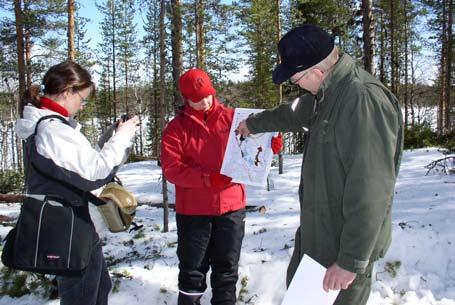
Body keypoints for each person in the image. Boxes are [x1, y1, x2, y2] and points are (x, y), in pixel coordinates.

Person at [236, 24, 404, 305]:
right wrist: (253, 124)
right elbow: (291, 114)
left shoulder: (361, 100)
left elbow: (372, 190)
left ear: (316, 71)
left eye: (295, 78)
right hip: (316, 237)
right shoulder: (326, 94)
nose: (295, 84)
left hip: (341, 248)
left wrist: (351, 261)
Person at [15, 61, 139, 305]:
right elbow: (95, 172)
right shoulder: (53, 130)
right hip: (67, 226)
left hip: (73, 223)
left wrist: (111, 138)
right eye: (82, 98)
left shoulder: (52, 125)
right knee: (82, 295)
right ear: (67, 91)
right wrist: (123, 137)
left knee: (98, 287)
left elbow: (78, 166)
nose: (82, 105)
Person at [161, 68, 282, 305]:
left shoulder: (236, 119)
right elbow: (172, 169)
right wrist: (207, 179)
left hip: (231, 208)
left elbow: (254, 146)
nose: (204, 101)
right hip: (193, 212)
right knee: (192, 271)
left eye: (208, 95)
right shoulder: (176, 128)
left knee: (226, 271)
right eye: (196, 99)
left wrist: (269, 146)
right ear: (186, 99)